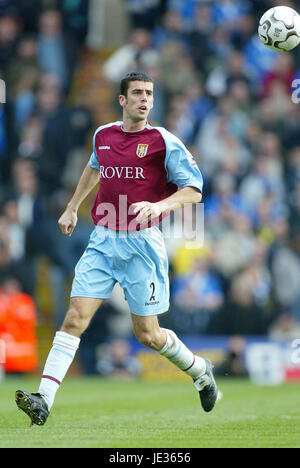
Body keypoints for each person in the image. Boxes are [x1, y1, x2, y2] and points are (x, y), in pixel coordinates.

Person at [15, 71, 218, 426]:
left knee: (148, 335)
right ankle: (43, 398)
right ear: (122, 100)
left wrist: (160, 206)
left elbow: (195, 189)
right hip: (104, 239)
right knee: (75, 316)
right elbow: (94, 169)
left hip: (143, 245)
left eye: (149, 94)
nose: (144, 99)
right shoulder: (103, 135)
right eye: (137, 93)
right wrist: (72, 207)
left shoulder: (164, 141)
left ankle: (200, 370)